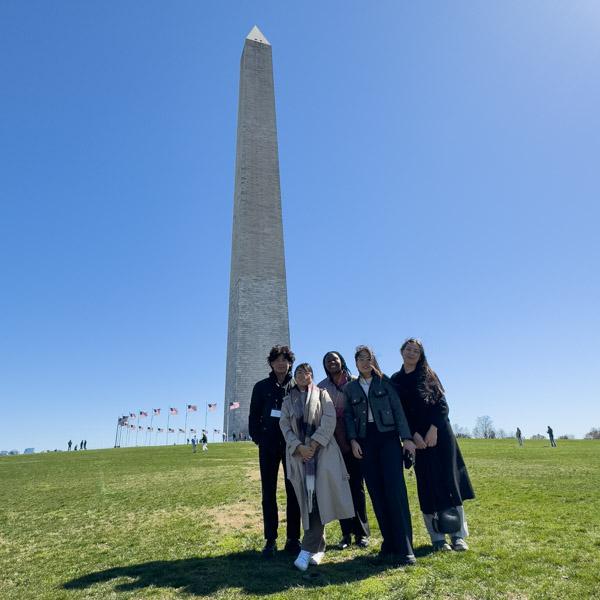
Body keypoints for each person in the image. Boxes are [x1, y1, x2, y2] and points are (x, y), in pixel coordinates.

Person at [390, 338, 475, 552]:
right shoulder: (396, 380)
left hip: (440, 436)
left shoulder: (428, 374)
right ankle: (437, 537)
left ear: (421, 355)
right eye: (408, 349)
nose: (411, 353)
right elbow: (398, 413)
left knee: (449, 483)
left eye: (416, 351)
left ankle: (457, 535)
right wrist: (412, 436)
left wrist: (434, 429)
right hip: (417, 440)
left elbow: (442, 405)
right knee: (427, 485)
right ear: (401, 352)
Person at [344, 346, 417, 566]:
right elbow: (348, 416)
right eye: (361, 359)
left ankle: (405, 548)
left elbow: (398, 410)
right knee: (376, 492)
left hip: (388, 439)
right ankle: (389, 544)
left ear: (374, 361)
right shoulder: (350, 388)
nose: (365, 363)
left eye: (369, 359)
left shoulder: (385, 382)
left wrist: (407, 439)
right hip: (365, 441)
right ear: (355, 363)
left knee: (395, 491)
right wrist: (353, 440)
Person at [280, 363, 354, 571]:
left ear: (312, 376)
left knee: (318, 499)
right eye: (300, 373)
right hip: (299, 456)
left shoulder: (322, 394)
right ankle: (319, 548)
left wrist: (313, 444)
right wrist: (299, 447)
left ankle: (306, 550)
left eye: (308, 372)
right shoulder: (288, 400)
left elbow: (329, 420)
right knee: (308, 500)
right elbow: (284, 426)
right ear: (294, 377)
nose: (304, 375)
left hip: (322, 453)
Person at [249, 345, 301, 558]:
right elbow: (253, 416)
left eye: (285, 360)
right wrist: (259, 438)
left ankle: (293, 538)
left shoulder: (297, 386)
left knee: (294, 492)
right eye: (277, 360)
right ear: (271, 363)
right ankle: (270, 539)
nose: (281, 363)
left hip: (291, 446)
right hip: (269, 445)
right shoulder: (261, 387)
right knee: (268, 492)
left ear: (290, 363)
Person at [318, 351, 370, 549]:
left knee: (357, 488)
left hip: (355, 442)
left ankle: (362, 533)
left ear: (342, 361)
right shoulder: (321, 387)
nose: (332, 362)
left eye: (335, 359)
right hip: (334, 445)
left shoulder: (355, 382)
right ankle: (346, 534)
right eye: (328, 360)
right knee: (341, 489)